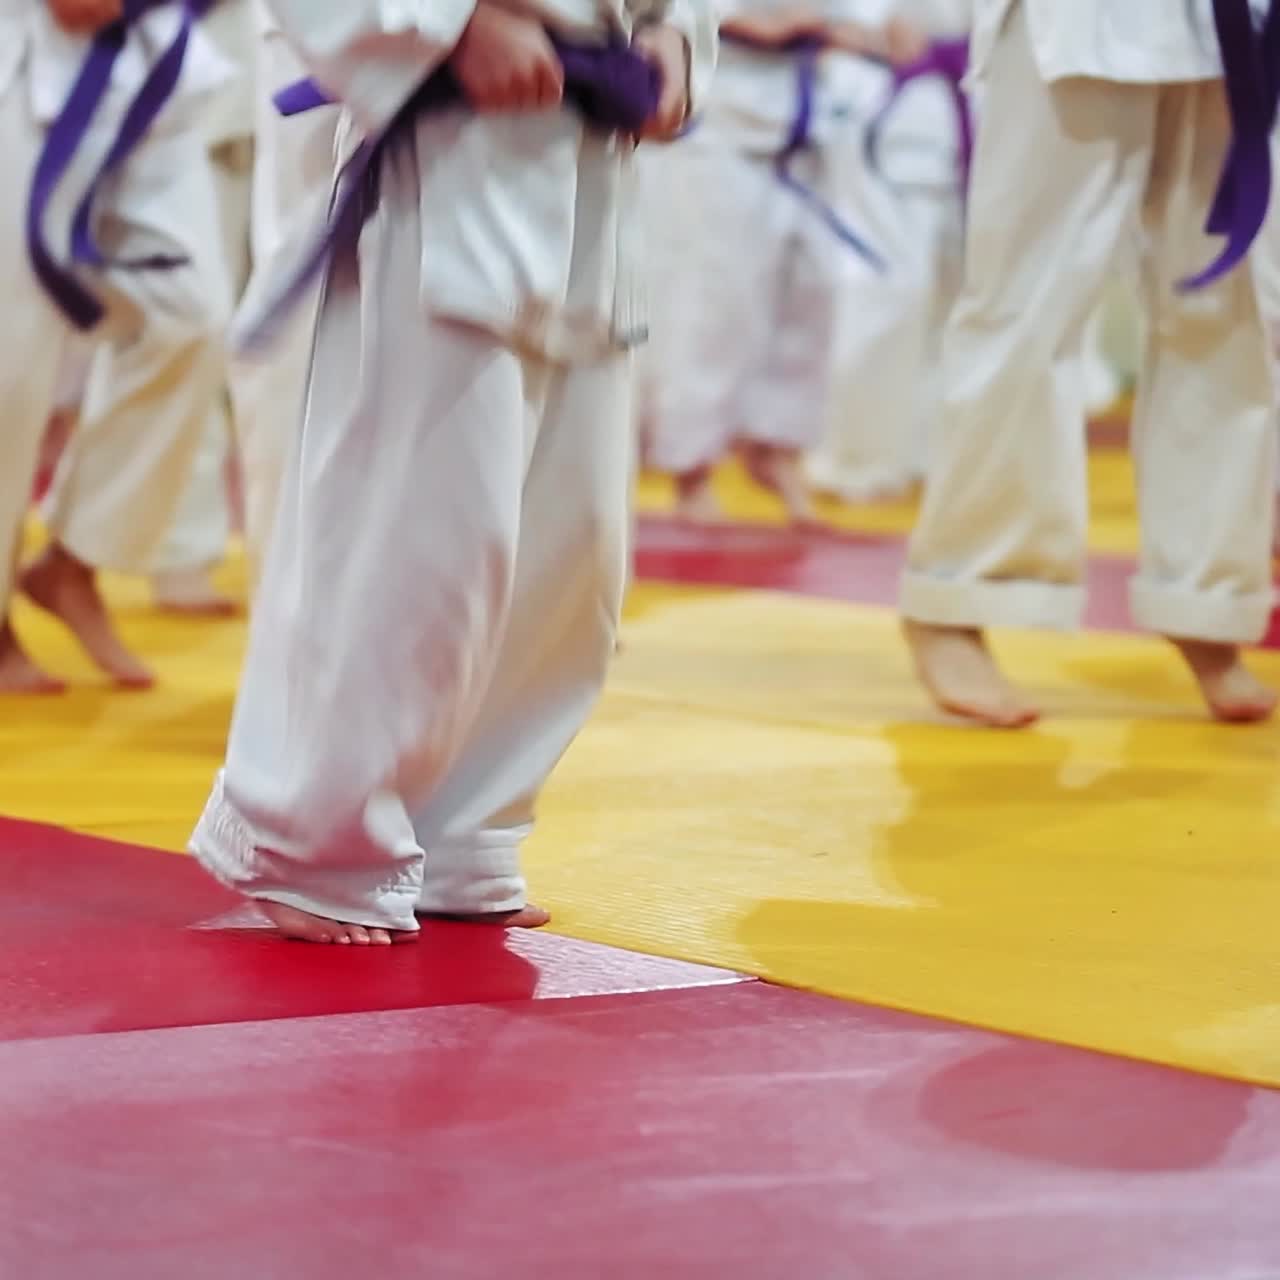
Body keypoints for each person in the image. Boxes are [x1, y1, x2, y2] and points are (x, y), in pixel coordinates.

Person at [188, 0, 716, 944]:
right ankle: (313, 843)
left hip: (592, 149)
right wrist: (450, 24)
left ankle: (467, 828)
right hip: (447, 135)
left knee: (573, 542)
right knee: (425, 530)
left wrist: (678, 31)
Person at [900, 0, 1278, 727]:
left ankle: (1205, 598)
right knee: (1027, 299)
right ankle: (956, 596)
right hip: (1077, 21)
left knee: (1224, 310)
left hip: (1229, 25)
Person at [0, 0, 234, 694]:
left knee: (193, 314)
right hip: (26, 39)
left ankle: (75, 558)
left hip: (153, 40)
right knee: (12, 356)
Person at [639, 1, 928, 526]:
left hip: (809, 110)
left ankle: (776, 449)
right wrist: (791, 25)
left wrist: (869, 27)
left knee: (811, 291)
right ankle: (692, 469)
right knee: (718, 296)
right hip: (721, 110)